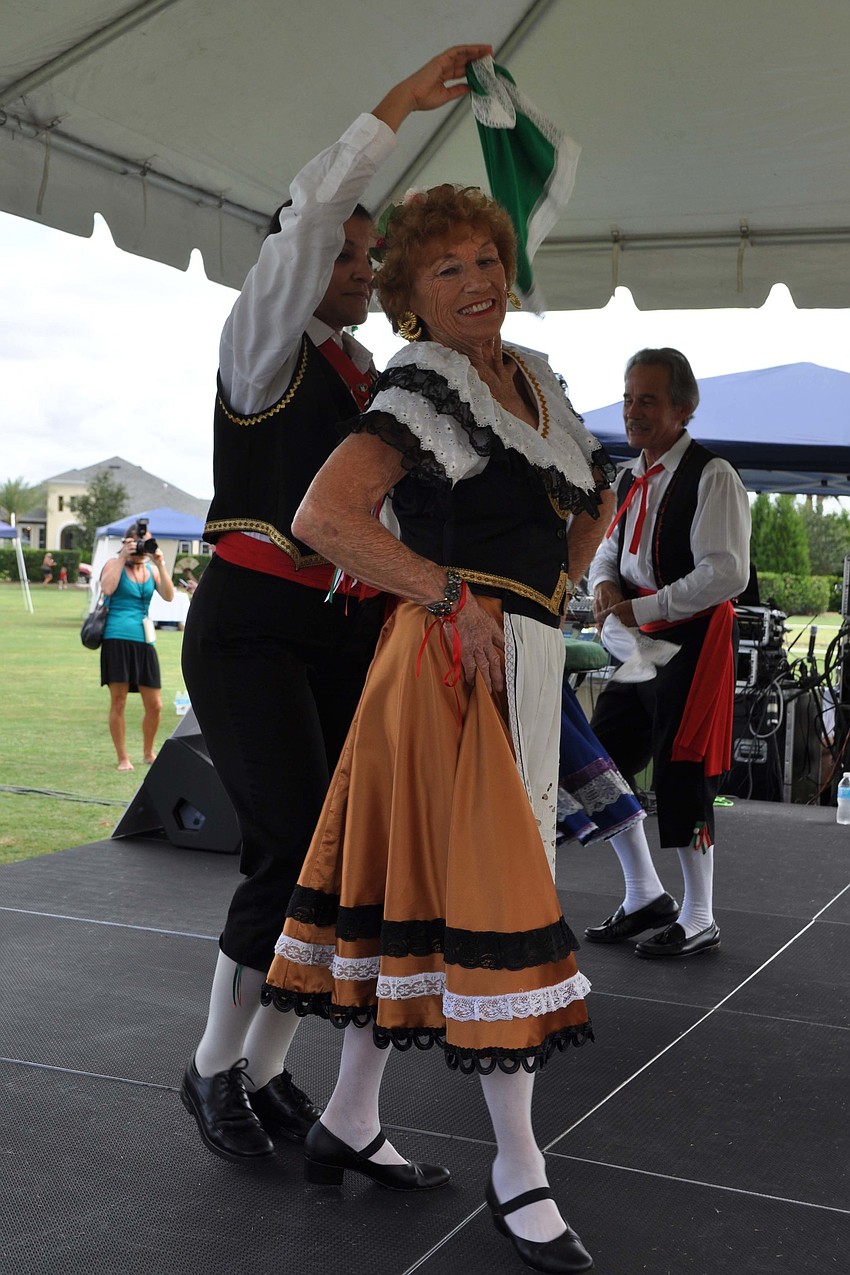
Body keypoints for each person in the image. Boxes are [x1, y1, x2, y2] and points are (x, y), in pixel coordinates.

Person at [263, 182, 613, 1274]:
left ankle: (347, 1119)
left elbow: (592, 494)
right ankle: (521, 1167)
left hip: (520, 654)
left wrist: (557, 587)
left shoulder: (532, 382)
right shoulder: (425, 382)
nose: (476, 280)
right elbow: (322, 518)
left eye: (485, 259)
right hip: (449, 663)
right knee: (500, 903)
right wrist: (451, 596)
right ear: (409, 296)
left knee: (428, 898)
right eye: (446, 268)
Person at [178, 47, 494, 1168]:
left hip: (340, 630)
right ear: (301, 262)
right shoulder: (264, 349)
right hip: (253, 624)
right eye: (350, 255)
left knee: (327, 865)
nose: (363, 271)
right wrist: (401, 108)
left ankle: (264, 1070)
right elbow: (309, 215)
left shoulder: (368, 374)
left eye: (371, 258)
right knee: (283, 849)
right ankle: (214, 1066)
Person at [586, 348, 750, 958]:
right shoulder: (631, 477)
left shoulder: (713, 475)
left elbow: (727, 572)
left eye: (647, 400)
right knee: (599, 765)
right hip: (639, 639)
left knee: (682, 771)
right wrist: (603, 584)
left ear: (684, 409)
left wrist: (640, 609)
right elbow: (609, 549)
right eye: (629, 398)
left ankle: (700, 914)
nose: (633, 411)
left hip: (692, 639)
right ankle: (643, 893)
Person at [99, 524, 174, 771]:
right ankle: (123, 758)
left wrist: (161, 563)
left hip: (145, 641)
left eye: (147, 542)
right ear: (126, 542)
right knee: (118, 701)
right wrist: (122, 556)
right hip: (117, 638)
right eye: (139, 542)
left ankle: (148, 752)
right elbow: (107, 588)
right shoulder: (114, 564)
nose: (143, 547)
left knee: (155, 704)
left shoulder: (151, 569)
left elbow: (169, 595)